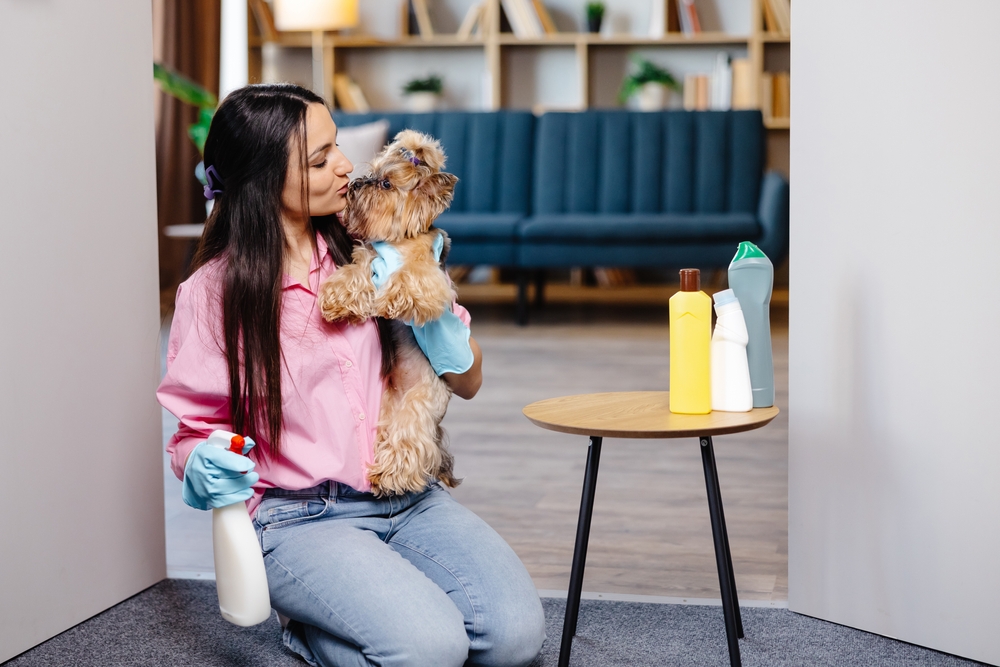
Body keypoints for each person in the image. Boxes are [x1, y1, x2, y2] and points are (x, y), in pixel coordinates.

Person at [157, 84, 546, 667]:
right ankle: (310, 632)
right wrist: (204, 462)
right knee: (432, 649)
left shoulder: (370, 249)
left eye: (337, 145)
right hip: (299, 519)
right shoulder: (214, 293)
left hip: (409, 499)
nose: (345, 166)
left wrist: (439, 325)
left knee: (513, 638)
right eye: (319, 159)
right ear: (263, 178)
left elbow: (467, 381)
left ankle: (357, 625)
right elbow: (194, 434)